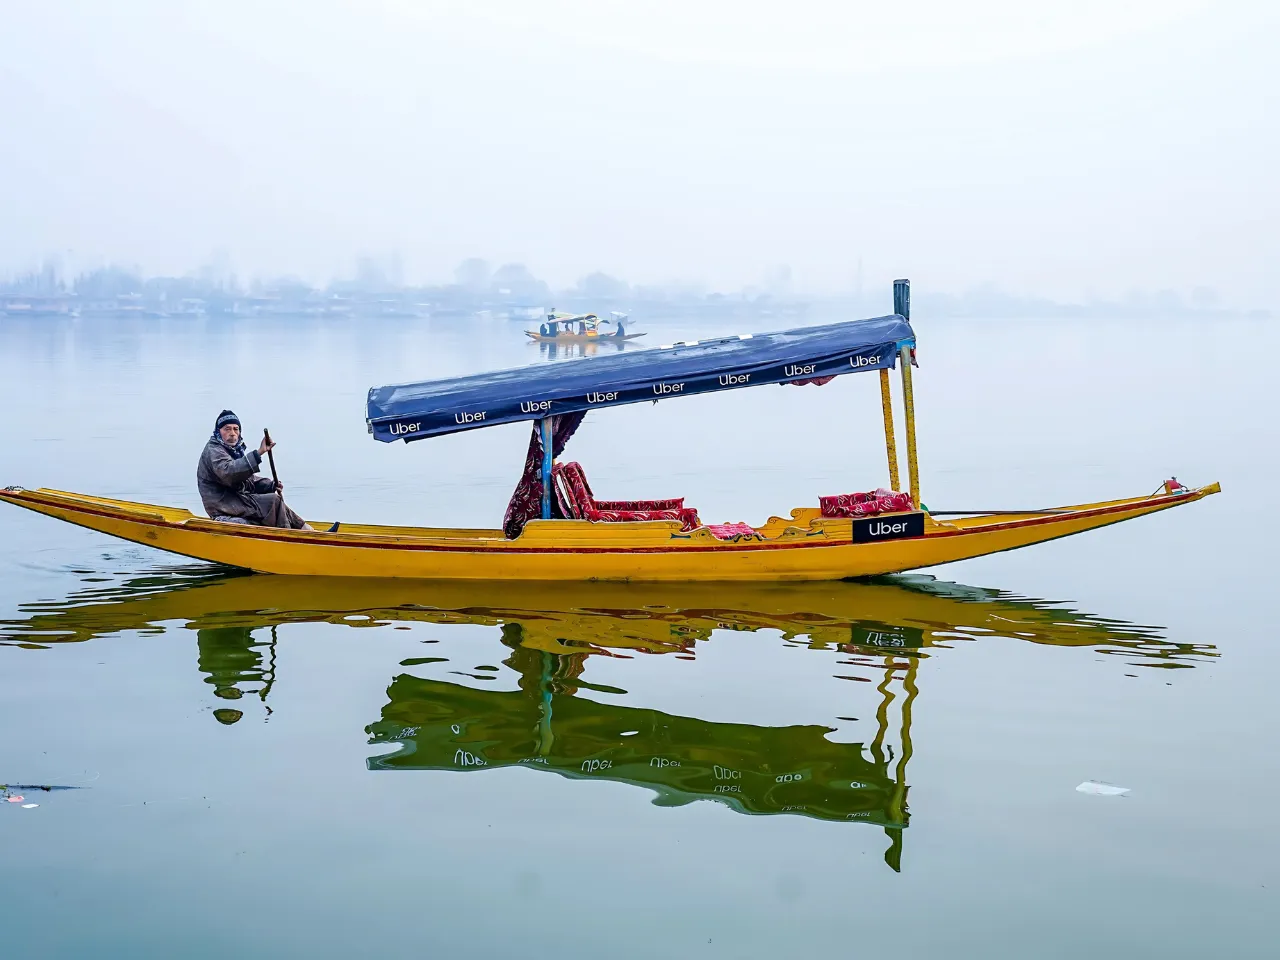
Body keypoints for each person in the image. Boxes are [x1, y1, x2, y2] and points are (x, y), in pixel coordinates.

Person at [197, 410, 311, 529]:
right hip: (222, 505)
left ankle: (306, 529)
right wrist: (259, 453)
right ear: (218, 431)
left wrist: (270, 485)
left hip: (235, 501)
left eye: (236, 429)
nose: (232, 433)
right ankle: (290, 537)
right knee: (273, 501)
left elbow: (246, 480)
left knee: (275, 501)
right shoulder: (214, 450)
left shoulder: (233, 450)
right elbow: (230, 473)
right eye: (227, 429)